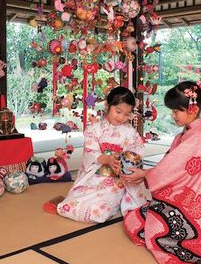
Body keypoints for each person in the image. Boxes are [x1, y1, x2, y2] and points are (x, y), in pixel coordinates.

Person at [121, 80, 201, 264]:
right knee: (135, 219)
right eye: (172, 110)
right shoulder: (189, 133)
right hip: (181, 193)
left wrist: (145, 174)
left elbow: (172, 168)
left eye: (176, 110)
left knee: (142, 228)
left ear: (192, 109)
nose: (173, 115)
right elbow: (171, 163)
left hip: (186, 199)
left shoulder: (198, 139)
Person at [49, 86, 147, 223]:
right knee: (70, 204)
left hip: (116, 180)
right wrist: (107, 159)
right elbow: (91, 152)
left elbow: (137, 151)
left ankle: (114, 203)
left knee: (99, 211)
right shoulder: (94, 129)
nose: (121, 117)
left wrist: (124, 161)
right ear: (107, 105)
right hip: (94, 176)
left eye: (126, 114)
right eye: (118, 111)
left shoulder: (130, 132)